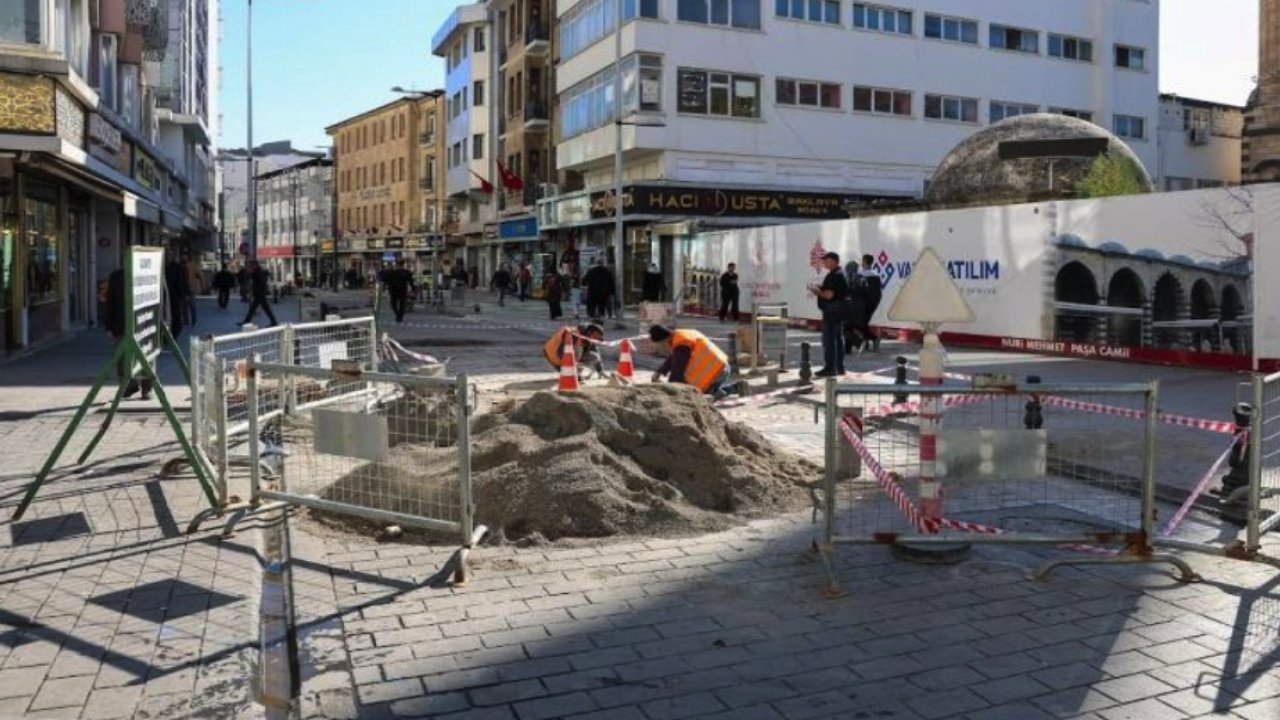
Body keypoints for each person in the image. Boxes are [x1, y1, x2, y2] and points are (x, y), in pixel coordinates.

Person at [105, 268, 152, 400]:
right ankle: (129, 385)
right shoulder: (116, 276)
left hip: (143, 323)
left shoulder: (146, 273)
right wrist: (108, 326)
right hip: (121, 324)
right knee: (121, 358)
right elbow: (110, 302)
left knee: (145, 356)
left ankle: (147, 388)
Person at [648, 325, 732, 398]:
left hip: (716, 373)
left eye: (660, 345)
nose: (662, 347)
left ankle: (714, 395)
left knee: (695, 398)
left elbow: (677, 372)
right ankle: (733, 388)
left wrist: (669, 390)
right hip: (722, 366)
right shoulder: (680, 335)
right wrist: (659, 372)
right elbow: (673, 358)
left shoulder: (681, 345)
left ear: (664, 341)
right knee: (697, 390)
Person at [809, 251, 850, 377]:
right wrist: (821, 288)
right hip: (837, 312)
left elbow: (830, 294)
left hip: (832, 312)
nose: (824, 262)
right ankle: (839, 368)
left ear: (833, 261)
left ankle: (830, 368)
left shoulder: (836, 275)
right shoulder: (838, 274)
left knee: (829, 341)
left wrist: (817, 292)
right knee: (837, 340)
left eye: (826, 260)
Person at [241, 260, 279, 327]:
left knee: (263, 308)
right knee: (254, 308)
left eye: (251, 266)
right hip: (259, 293)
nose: (251, 267)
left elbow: (260, 282)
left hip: (259, 293)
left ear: (255, 265)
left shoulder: (259, 272)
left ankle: (274, 321)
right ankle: (246, 321)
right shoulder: (258, 272)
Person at [164, 256, 190, 338]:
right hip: (165, 296)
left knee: (176, 316)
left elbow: (182, 281)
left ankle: (174, 334)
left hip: (175, 296)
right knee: (166, 316)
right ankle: (167, 334)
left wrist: (184, 293)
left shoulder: (177, 268)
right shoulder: (162, 267)